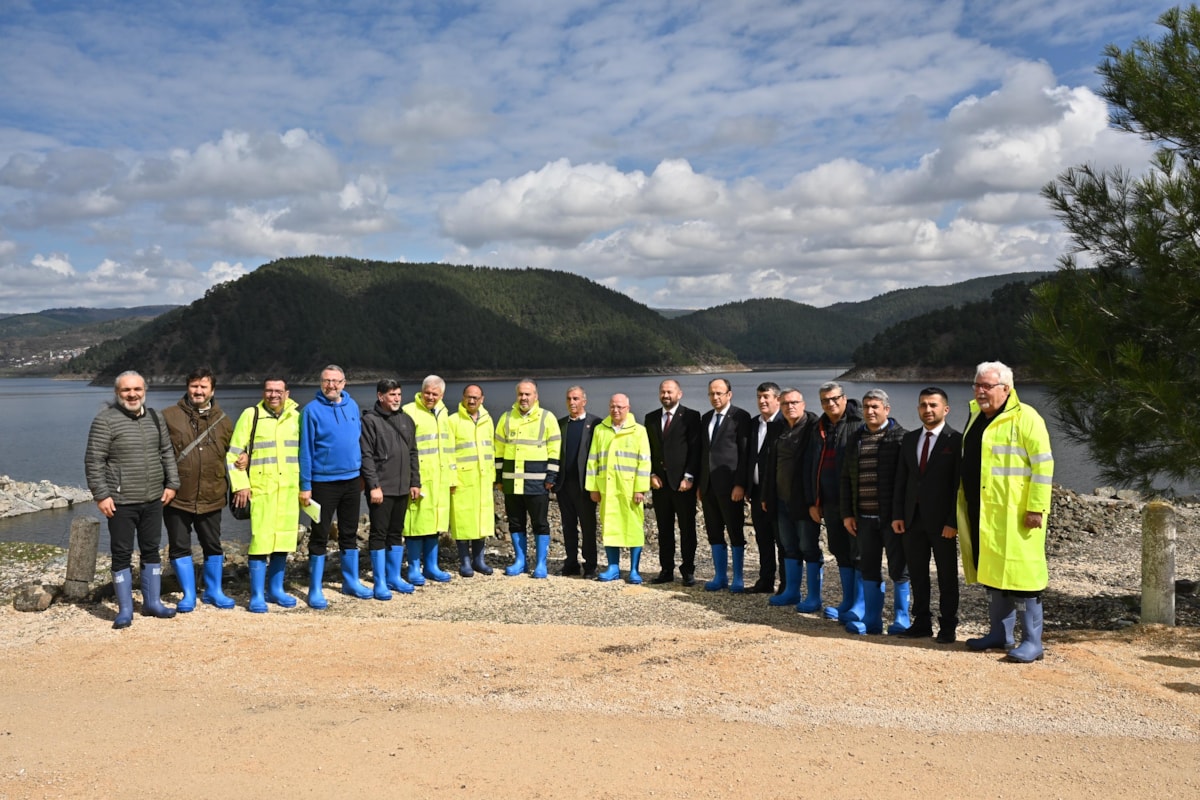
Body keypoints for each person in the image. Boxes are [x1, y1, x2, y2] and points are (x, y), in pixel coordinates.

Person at [958, 361, 1054, 663]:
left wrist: (1036, 507)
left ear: (1006, 388)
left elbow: (1043, 465)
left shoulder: (1027, 417)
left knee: (1023, 579)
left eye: (987, 386)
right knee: (991, 573)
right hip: (984, 512)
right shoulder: (976, 416)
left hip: (1016, 515)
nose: (980, 391)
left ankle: (1032, 642)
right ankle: (999, 634)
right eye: (977, 385)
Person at [85, 370, 180, 628]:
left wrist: (172, 484)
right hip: (120, 501)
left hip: (153, 499)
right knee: (121, 554)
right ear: (117, 393)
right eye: (126, 390)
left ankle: (152, 603)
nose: (132, 394)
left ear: (144, 391)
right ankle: (125, 610)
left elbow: (166, 452)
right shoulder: (105, 421)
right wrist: (101, 495)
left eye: (137, 389)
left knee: (151, 550)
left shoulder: (155, 417)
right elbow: (94, 461)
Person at [161, 366, 235, 612]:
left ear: (212, 391)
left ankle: (214, 591)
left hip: (212, 494)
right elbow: (157, 453)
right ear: (187, 388)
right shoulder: (167, 416)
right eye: (194, 386)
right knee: (179, 545)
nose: (199, 391)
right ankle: (189, 594)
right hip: (177, 496)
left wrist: (243, 457)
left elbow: (234, 451)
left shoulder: (224, 421)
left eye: (204, 386)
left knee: (212, 545)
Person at [892, 388, 962, 642]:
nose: (928, 409)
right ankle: (921, 622)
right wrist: (898, 515)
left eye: (933, 405)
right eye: (923, 405)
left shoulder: (956, 440)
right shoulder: (910, 439)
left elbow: (958, 485)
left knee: (946, 576)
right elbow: (902, 480)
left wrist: (953, 521)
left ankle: (948, 625)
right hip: (912, 519)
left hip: (942, 522)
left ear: (946, 409)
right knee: (918, 574)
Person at [228, 378, 302, 613]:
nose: (273, 395)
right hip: (261, 491)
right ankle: (257, 595)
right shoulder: (252, 415)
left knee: (283, 541)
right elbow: (233, 454)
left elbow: (304, 453)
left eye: (278, 391)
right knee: (260, 542)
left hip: (289, 490)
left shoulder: (296, 418)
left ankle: (276, 589)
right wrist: (241, 485)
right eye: (269, 390)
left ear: (287, 393)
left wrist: (305, 487)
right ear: (263, 393)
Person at [300, 364, 369, 607]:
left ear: (344, 383)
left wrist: (362, 474)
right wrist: (305, 485)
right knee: (319, 534)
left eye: (336, 381)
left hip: (351, 480)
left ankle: (351, 581)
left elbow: (357, 441)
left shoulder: (352, 406)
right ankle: (315, 589)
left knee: (349, 532)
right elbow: (306, 451)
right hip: (323, 482)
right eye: (327, 381)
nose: (331, 385)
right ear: (321, 383)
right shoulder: (310, 411)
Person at [839, 389, 907, 635]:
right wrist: (847, 513)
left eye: (875, 406)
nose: (869, 411)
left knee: (899, 568)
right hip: (863, 518)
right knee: (868, 566)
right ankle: (872, 620)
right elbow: (846, 479)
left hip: (893, 519)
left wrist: (901, 515)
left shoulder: (901, 438)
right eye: (866, 406)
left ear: (887, 409)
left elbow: (907, 482)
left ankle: (902, 618)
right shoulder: (855, 438)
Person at [803, 381, 863, 621]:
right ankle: (847, 600)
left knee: (859, 552)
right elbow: (811, 465)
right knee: (839, 549)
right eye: (825, 400)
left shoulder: (859, 423)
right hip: (828, 501)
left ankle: (860, 604)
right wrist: (813, 501)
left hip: (855, 503)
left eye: (835, 398)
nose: (830, 403)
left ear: (844, 398)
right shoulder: (820, 427)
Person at [360, 379, 422, 599]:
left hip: (403, 487)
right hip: (381, 489)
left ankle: (394, 577)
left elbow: (413, 452)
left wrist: (415, 482)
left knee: (396, 532)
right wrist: (373, 486)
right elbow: (366, 456)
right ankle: (380, 582)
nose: (396, 399)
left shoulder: (406, 419)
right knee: (379, 533)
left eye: (398, 394)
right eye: (392, 395)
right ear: (380, 396)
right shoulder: (370, 421)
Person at [762, 388, 823, 611]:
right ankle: (792, 591)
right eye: (786, 403)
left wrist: (815, 501)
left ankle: (814, 597)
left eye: (794, 402)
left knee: (808, 547)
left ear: (803, 404)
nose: (790, 407)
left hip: (804, 500)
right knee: (788, 546)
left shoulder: (814, 427)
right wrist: (766, 495)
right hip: (780, 499)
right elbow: (770, 464)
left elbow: (817, 466)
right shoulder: (777, 428)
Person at [494, 379, 560, 579]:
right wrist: (499, 478)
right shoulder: (506, 418)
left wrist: (551, 476)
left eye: (527, 394)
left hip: (537, 482)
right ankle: (520, 561)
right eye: (520, 394)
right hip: (512, 482)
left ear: (535, 396)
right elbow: (498, 450)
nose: (523, 398)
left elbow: (555, 450)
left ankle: (540, 564)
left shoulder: (547, 418)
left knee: (540, 523)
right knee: (515, 523)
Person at [586, 394, 652, 582]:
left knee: (634, 528)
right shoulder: (600, 430)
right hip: (607, 488)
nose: (615, 410)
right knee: (610, 527)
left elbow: (644, 461)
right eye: (612, 406)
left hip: (630, 490)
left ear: (628, 408)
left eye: (620, 407)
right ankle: (613, 567)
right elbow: (593, 460)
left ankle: (634, 570)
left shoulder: (639, 431)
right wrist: (593, 487)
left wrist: (640, 488)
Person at [645, 379, 702, 586]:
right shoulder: (651, 418)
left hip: (683, 484)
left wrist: (689, 477)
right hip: (660, 484)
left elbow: (695, 450)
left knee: (687, 529)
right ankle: (666, 569)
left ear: (679, 394)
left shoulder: (691, 416)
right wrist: (651, 474)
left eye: (670, 392)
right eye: (663, 392)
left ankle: (688, 570)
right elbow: (648, 450)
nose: (666, 395)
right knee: (664, 529)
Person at [698, 378, 753, 592]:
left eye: (719, 393)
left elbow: (744, 453)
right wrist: (700, 484)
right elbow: (704, 453)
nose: (715, 397)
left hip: (731, 486)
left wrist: (740, 484)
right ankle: (720, 576)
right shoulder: (706, 418)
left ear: (729, 394)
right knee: (714, 531)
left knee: (735, 530)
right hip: (708, 485)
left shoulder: (740, 417)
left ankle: (738, 577)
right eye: (711, 393)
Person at [402, 375, 456, 584]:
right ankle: (414, 567)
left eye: (435, 394)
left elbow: (448, 448)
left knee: (434, 523)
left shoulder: (443, 413)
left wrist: (452, 477)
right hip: (420, 479)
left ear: (442, 395)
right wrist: (411, 481)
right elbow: (405, 450)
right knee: (416, 523)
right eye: (427, 393)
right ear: (421, 391)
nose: (430, 397)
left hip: (440, 479)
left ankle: (432, 566)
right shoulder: (409, 411)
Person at [449, 384, 495, 577]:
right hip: (462, 480)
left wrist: (492, 476)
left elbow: (491, 449)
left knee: (481, 520)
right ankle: (465, 562)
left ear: (482, 399)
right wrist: (452, 479)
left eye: (476, 397)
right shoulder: (453, 421)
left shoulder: (487, 420)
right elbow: (449, 453)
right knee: (462, 522)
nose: (472, 400)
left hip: (483, 479)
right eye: (469, 397)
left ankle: (479, 560)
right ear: (463, 397)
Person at [555, 386, 601, 577]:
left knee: (588, 527)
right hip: (564, 485)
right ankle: (571, 563)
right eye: (569, 399)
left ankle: (590, 565)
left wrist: (596, 486)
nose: (572, 402)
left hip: (585, 486)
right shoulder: (560, 424)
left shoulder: (596, 424)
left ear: (584, 400)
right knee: (568, 526)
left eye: (575, 398)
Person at [748, 382, 785, 593]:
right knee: (763, 538)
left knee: (782, 540)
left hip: (777, 493)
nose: (762, 401)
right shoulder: (754, 423)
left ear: (777, 399)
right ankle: (766, 580)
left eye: (766, 397)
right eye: (759, 397)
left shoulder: (784, 423)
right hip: (756, 491)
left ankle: (786, 584)